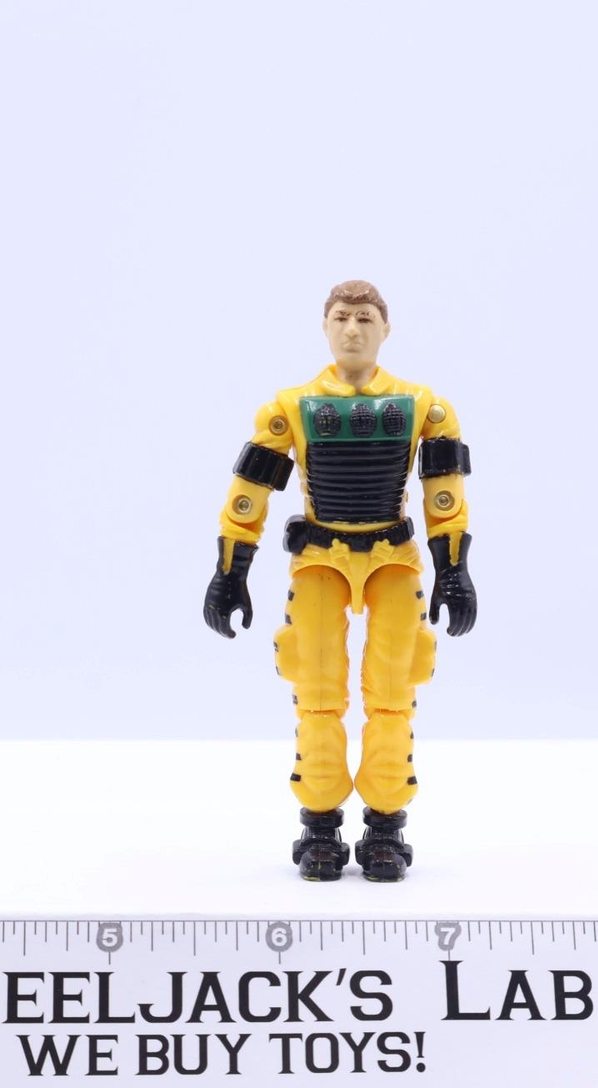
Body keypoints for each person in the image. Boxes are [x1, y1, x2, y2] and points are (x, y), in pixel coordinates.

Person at [203, 279, 477, 881]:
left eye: (365, 317)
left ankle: (385, 823)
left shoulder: (422, 406)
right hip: (320, 559)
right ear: (325, 327)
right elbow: (250, 493)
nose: (353, 329)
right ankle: (321, 822)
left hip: (393, 557)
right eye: (342, 317)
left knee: (394, 690)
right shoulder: (290, 407)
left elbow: (444, 495)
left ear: (386, 329)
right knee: (317, 688)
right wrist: (231, 570)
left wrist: (453, 570)